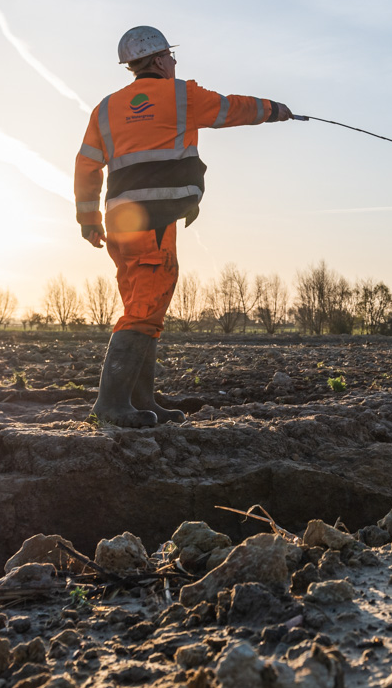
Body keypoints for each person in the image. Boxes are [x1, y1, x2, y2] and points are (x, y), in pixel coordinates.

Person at [75, 27, 293, 427]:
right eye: (171, 56)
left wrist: (87, 219)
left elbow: (88, 164)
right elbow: (234, 108)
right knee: (144, 309)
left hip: (119, 223)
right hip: (154, 220)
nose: (175, 62)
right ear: (159, 60)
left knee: (144, 306)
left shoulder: (105, 108)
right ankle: (110, 405)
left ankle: (142, 402)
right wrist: (277, 110)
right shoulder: (181, 96)